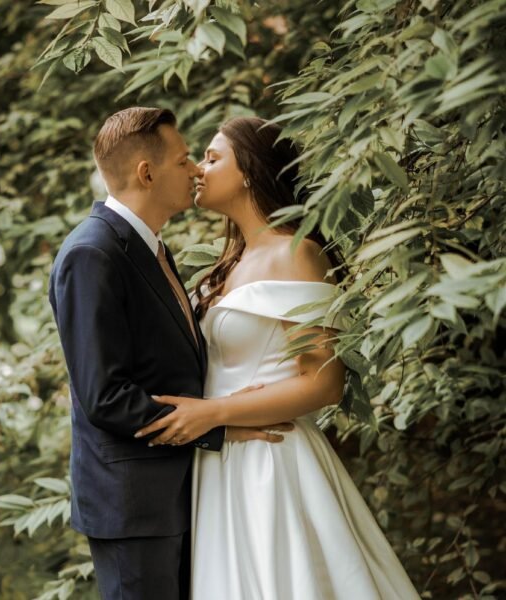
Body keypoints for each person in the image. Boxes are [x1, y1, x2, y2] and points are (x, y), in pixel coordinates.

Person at [135, 117, 420, 599]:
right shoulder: (231, 263)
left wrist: (212, 413)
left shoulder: (298, 253)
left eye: (212, 157)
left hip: (273, 461)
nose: (199, 170)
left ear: (248, 170)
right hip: (223, 463)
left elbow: (323, 383)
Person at [48, 107, 293, 600]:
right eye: (184, 160)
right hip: (133, 506)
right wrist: (217, 425)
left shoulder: (150, 248)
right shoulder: (92, 253)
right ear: (146, 172)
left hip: (179, 497)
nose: (196, 170)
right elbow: (106, 396)